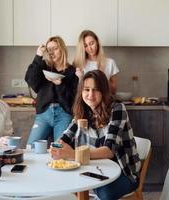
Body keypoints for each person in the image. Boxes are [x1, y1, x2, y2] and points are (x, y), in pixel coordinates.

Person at [50, 70, 141, 200]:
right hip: (95, 169)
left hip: (124, 173)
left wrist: (72, 154)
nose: (90, 94)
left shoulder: (117, 109)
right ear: (81, 92)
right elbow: (64, 138)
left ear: (104, 92)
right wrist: (57, 147)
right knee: (63, 183)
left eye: (96, 90)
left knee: (104, 193)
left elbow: (109, 151)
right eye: (86, 89)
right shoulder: (83, 112)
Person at [25, 36, 78, 145]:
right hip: (44, 114)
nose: (51, 52)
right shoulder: (43, 66)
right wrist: (38, 56)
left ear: (62, 49)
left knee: (61, 148)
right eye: (49, 50)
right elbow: (30, 80)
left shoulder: (72, 71)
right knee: (30, 147)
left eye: (55, 48)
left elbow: (73, 99)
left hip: (64, 114)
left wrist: (60, 85)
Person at [73, 30, 119, 94]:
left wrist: (102, 79)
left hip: (105, 102)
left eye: (91, 43)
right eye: (85, 46)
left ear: (97, 42)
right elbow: (75, 92)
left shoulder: (110, 63)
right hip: (85, 103)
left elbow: (114, 91)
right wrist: (81, 78)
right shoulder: (78, 64)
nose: (90, 48)